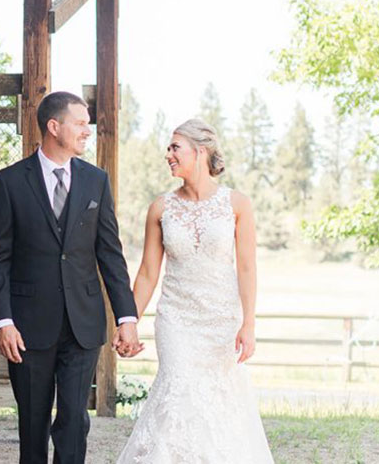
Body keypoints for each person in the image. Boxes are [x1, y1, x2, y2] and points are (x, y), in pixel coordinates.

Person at [0, 91, 141, 464]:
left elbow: (110, 254)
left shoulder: (95, 181)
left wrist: (127, 317)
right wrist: (3, 321)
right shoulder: (9, 183)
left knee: (74, 422)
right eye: (80, 124)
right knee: (33, 425)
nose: (88, 131)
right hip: (28, 327)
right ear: (54, 127)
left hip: (82, 323)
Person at [116, 118, 274, 462]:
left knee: (219, 405)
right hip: (177, 320)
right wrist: (128, 322)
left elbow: (247, 268)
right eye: (169, 148)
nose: (168, 155)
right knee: (179, 393)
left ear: (200, 151)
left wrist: (249, 323)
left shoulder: (237, 204)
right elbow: (146, 273)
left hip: (221, 321)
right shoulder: (161, 208)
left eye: (175, 147)